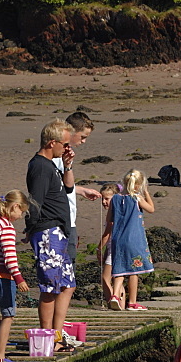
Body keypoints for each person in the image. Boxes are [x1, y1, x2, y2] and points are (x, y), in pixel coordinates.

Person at [25, 119, 81, 351]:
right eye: (64, 145)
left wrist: (67, 165)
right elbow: (34, 201)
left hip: (59, 231)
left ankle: (57, 335)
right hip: (47, 231)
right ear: (51, 142)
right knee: (50, 286)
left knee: (67, 284)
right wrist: (31, 229)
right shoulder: (39, 166)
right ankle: (47, 337)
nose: (67, 148)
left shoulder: (52, 164)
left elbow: (69, 188)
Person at [0, 190, 30, 362]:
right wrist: (18, 278)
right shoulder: (7, 227)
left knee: (4, 314)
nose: (20, 216)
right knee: (8, 315)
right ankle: (1, 356)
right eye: (21, 212)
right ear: (15, 207)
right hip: (3, 275)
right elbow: (9, 257)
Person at [103, 169, 155, 311]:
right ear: (138, 185)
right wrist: (147, 193)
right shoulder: (137, 198)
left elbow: (109, 220)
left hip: (118, 238)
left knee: (119, 269)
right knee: (134, 271)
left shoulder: (115, 199)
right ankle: (132, 302)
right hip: (134, 238)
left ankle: (115, 295)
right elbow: (151, 209)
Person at [54, 111, 102, 261]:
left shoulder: (66, 155)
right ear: (71, 132)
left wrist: (81, 190)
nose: (83, 142)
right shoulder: (56, 157)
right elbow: (54, 188)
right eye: (82, 137)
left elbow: (63, 185)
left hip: (69, 218)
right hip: (61, 221)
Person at [97, 184, 119, 304]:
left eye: (107, 199)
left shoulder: (113, 213)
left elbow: (107, 234)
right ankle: (120, 304)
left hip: (114, 250)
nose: (104, 202)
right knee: (118, 280)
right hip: (114, 248)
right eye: (102, 199)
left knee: (105, 278)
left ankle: (112, 303)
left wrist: (99, 248)